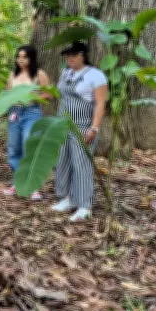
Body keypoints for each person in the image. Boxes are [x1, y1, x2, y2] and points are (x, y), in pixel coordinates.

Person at [51, 41, 108, 222]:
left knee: (81, 164)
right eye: (67, 55)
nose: (69, 58)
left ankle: (85, 205)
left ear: (83, 55)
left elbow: (100, 104)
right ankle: (67, 198)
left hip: (83, 126)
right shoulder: (66, 72)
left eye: (73, 55)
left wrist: (94, 128)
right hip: (63, 123)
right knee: (63, 160)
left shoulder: (95, 75)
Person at [3, 45, 51, 199]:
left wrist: (31, 96)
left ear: (32, 58)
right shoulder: (12, 75)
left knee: (28, 146)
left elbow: (48, 94)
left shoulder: (39, 74)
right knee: (13, 148)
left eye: (24, 57)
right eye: (18, 57)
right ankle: (17, 182)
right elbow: (8, 94)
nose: (21, 60)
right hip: (15, 112)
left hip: (32, 112)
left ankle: (32, 186)